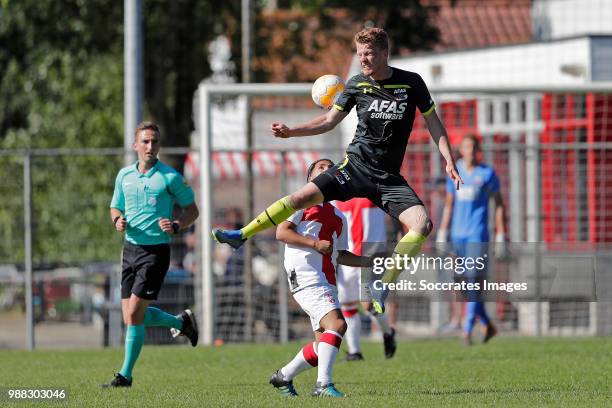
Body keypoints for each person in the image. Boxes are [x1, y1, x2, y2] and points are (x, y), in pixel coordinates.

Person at [213, 27, 462, 315]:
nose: (364, 60)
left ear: (385, 53)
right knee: (298, 198)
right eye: (359, 54)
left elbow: (433, 122)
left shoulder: (411, 83)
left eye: (368, 53)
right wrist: (291, 132)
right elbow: (329, 120)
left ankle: (382, 285)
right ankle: (242, 234)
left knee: (422, 224)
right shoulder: (356, 84)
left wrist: (448, 159)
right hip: (354, 167)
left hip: (388, 178)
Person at [104, 121, 200, 387]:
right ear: (135, 145)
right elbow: (114, 207)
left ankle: (125, 376)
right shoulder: (124, 176)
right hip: (130, 250)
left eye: (155, 142)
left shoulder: (169, 177)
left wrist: (178, 225)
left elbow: (192, 210)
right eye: (145, 141)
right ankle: (181, 323)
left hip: (155, 252)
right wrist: (117, 221)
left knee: (134, 313)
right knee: (130, 317)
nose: (150, 146)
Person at [269, 159, 372, 398]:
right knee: (337, 324)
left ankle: (282, 376)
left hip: (327, 279)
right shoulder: (299, 202)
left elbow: (340, 254)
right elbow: (281, 232)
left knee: (322, 346)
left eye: (331, 168)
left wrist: (367, 261)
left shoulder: (338, 216)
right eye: (321, 168)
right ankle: (323, 386)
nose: (327, 170)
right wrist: (314, 243)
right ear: (310, 178)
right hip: (305, 275)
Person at [436, 134, 506, 345]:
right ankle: (486, 322)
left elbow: (499, 204)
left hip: (478, 234)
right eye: (466, 146)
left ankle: (467, 330)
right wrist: (442, 231)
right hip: (458, 235)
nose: (469, 150)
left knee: (474, 278)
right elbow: (449, 203)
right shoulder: (455, 170)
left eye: (473, 146)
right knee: (462, 282)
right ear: (461, 150)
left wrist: (501, 233)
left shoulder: (487, 173)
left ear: (477, 150)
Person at [334, 197, 396, 360]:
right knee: (347, 304)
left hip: (371, 253)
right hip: (348, 255)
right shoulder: (337, 195)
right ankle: (355, 352)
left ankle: (388, 333)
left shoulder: (370, 187)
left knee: (368, 305)